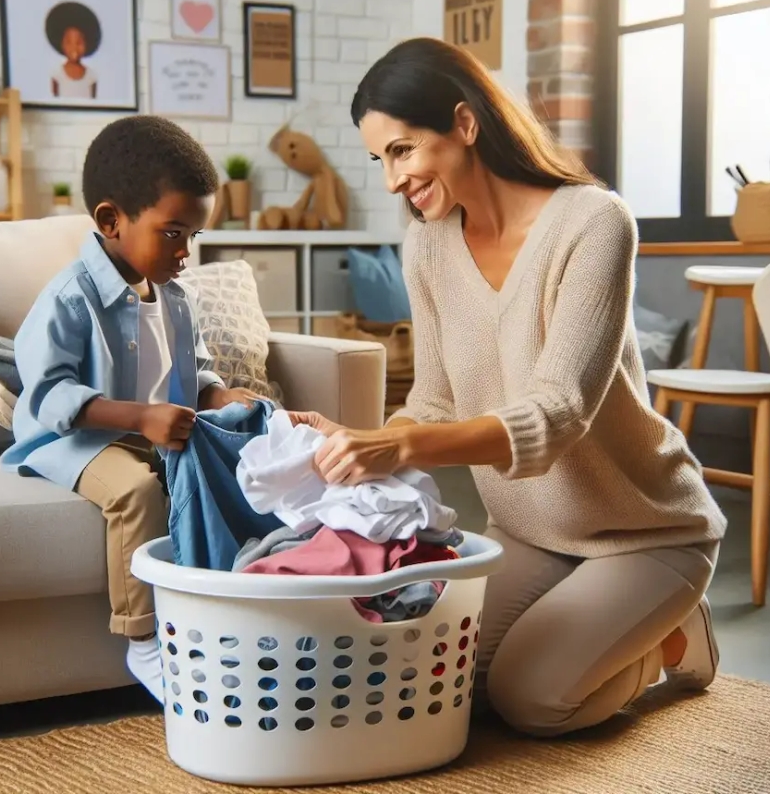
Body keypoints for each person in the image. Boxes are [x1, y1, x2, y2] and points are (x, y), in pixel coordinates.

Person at [289, 38, 728, 737]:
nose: (391, 180)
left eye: (402, 151)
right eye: (380, 160)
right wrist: (358, 440)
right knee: (434, 687)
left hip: (645, 530)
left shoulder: (592, 222)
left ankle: (673, 638)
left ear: (465, 125)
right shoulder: (428, 244)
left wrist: (396, 445)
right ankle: (615, 626)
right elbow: (433, 399)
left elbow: (558, 411)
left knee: (533, 699)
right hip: (526, 530)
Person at [1, 116, 262, 701]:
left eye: (193, 235)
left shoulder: (174, 295)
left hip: (150, 429)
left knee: (227, 466)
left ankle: (229, 604)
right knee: (138, 492)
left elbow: (191, 369)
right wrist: (141, 419)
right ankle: (142, 639)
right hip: (74, 440)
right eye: (174, 233)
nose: (187, 252)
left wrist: (219, 396)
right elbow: (47, 396)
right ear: (111, 221)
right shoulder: (70, 297)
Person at [45, 1, 101, 99]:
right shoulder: (56, 74)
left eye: (79, 43)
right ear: (62, 44)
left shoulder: (91, 76)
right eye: (69, 42)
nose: (74, 48)